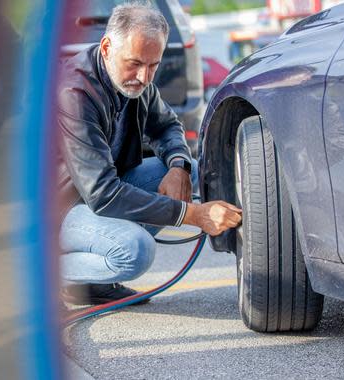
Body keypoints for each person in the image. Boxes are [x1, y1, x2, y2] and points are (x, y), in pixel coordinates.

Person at [57, 2, 241, 305]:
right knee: (135, 251)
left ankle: (95, 283)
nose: (143, 76)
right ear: (106, 47)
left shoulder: (135, 84)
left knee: (190, 170)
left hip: (100, 193)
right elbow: (104, 194)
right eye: (134, 63)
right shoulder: (75, 93)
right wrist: (192, 214)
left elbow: (167, 126)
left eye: (153, 65)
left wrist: (178, 165)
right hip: (63, 211)